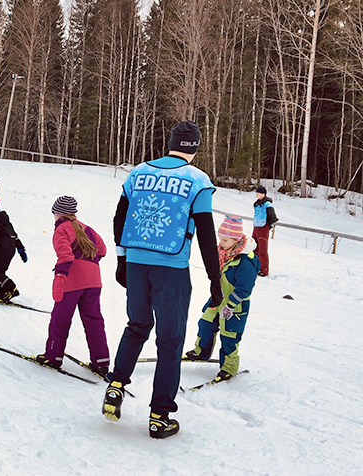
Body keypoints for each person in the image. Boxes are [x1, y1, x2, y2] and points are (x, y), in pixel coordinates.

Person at [103, 120, 223, 439]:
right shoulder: (197, 181)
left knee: (137, 326)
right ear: (195, 148)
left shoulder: (138, 173)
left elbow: (119, 218)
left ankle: (116, 386)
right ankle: (159, 416)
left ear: (169, 143)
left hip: (137, 263)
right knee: (170, 341)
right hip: (172, 268)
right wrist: (215, 280)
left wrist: (121, 259)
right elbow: (208, 237)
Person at [34, 196, 110, 377]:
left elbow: (66, 256)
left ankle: (53, 357)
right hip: (93, 280)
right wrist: (89, 262)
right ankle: (101, 362)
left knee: (60, 320)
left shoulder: (61, 230)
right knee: (94, 320)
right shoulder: (88, 229)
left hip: (72, 281)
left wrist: (60, 276)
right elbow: (102, 250)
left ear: (56, 212)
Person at [184, 215, 259, 383]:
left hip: (235, 305)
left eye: (225, 240)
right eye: (220, 238)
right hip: (217, 299)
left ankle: (228, 367)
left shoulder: (245, 261)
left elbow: (245, 288)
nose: (221, 242)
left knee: (230, 336)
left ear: (236, 239)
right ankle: (201, 351)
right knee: (205, 324)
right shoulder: (224, 253)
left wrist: (231, 305)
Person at [252, 186, 278, 277]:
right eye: (256, 193)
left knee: (262, 249)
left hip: (263, 227)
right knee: (254, 248)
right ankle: (254, 267)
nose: (256, 195)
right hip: (256, 226)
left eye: (258, 193)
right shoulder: (256, 203)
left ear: (263, 194)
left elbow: (273, 217)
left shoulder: (267, 204)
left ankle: (264, 270)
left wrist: (269, 225)